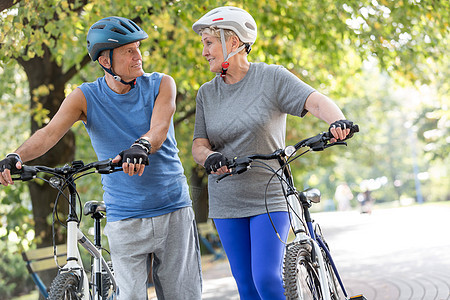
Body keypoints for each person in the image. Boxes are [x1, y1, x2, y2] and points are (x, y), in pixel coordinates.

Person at [0, 16, 202, 299]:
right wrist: (15, 155)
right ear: (106, 61)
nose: (138, 57)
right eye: (128, 51)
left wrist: (141, 146)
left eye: (138, 48)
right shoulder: (85, 96)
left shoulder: (161, 84)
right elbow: (48, 134)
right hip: (125, 216)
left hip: (173, 209)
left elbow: (159, 128)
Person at [191, 6, 354, 299]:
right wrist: (209, 157)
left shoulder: (272, 78)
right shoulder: (207, 93)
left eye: (209, 42)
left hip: (269, 193)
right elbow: (198, 145)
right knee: (247, 287)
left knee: (266, 278)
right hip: (226, 199)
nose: (204, 52)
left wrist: (336, 121)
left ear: (233, 41)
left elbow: (315, 102)